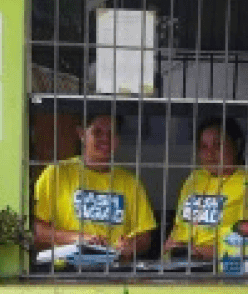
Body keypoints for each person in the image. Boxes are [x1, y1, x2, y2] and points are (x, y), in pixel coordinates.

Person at [34, 111, 156, 259]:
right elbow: (38, 232)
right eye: (97, 132)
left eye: (111, 133)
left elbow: (144, 237)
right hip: (66, 270)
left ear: (117, 140)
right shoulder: (56, 174)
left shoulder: (130, 182)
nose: (105, 139)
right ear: (81, 134)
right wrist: (80, 239)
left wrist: (130, 246)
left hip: (114, 270)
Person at [163, 116, 248, 272]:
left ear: (237, 145)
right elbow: (178, 226)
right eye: (203, 146)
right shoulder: (194, 179)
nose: (210, 153)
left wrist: (208, 251)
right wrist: (169, 248)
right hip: (181, 263)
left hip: (228, 266)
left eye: (218, 145)